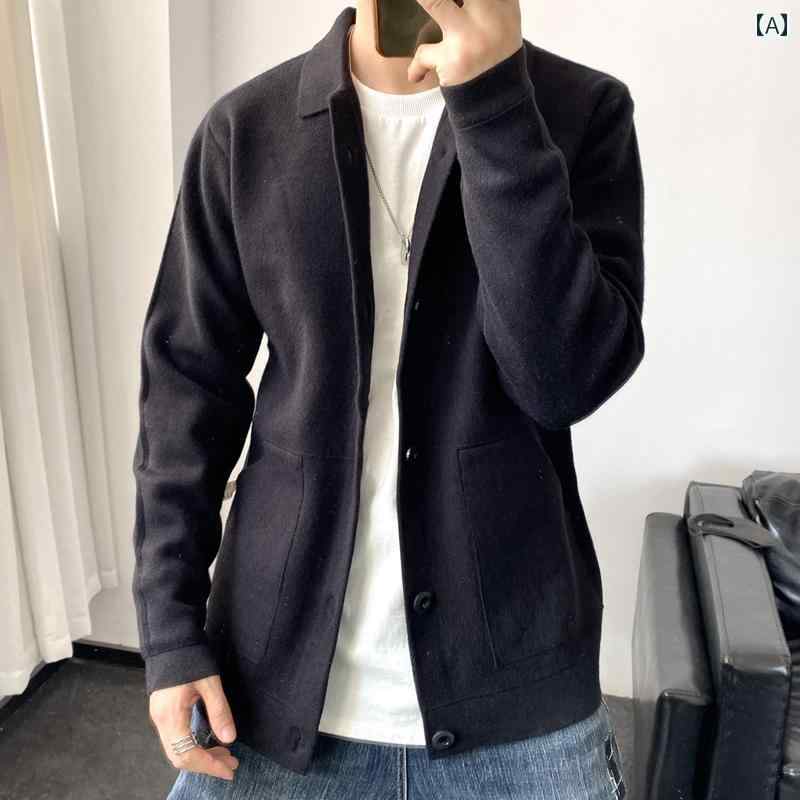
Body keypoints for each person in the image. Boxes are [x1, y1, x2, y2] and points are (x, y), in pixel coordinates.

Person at [132, 1, 643, 798]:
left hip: (521, 701)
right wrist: (169, 632)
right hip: (269, 687)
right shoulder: (246, 131)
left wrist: (497, 106)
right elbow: (185, 395)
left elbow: (564, 380)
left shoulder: (582, 112)